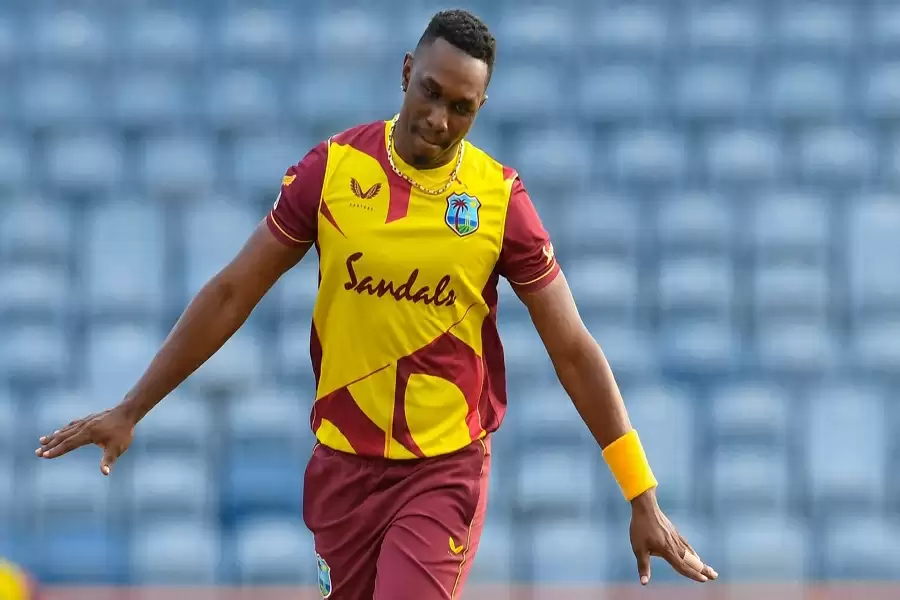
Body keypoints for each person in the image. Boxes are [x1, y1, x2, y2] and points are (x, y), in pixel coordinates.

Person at [35, 9, 717, 599]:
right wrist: (132, 408)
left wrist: (641, 493)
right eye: (431, 92)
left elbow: (572, 348)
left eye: (462, 108)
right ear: (406, 72)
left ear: (481, 108)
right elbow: (232, 292)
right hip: (342, 466)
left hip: (443, 469)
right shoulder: (333, 171)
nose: (439, 119)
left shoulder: (499, 201)